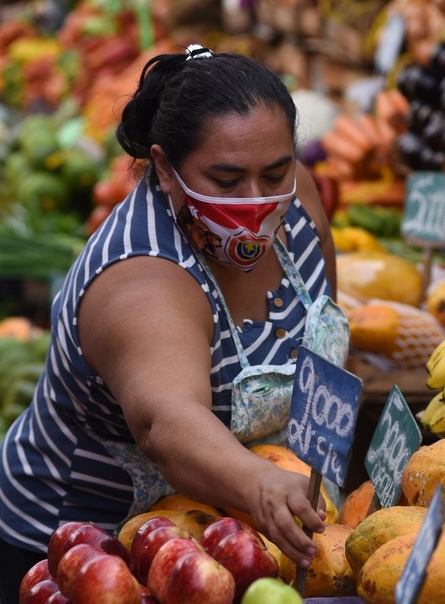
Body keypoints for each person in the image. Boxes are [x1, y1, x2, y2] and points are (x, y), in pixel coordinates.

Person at [0, 44, 350, 601]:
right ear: (165, 168)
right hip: (95, 552)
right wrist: (260, 483)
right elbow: (166, 424)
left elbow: (318, 321)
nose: (256, 202)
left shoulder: (296, 196)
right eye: (227, 180)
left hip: (226, 531)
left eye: (274, 171)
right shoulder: (142, 276)